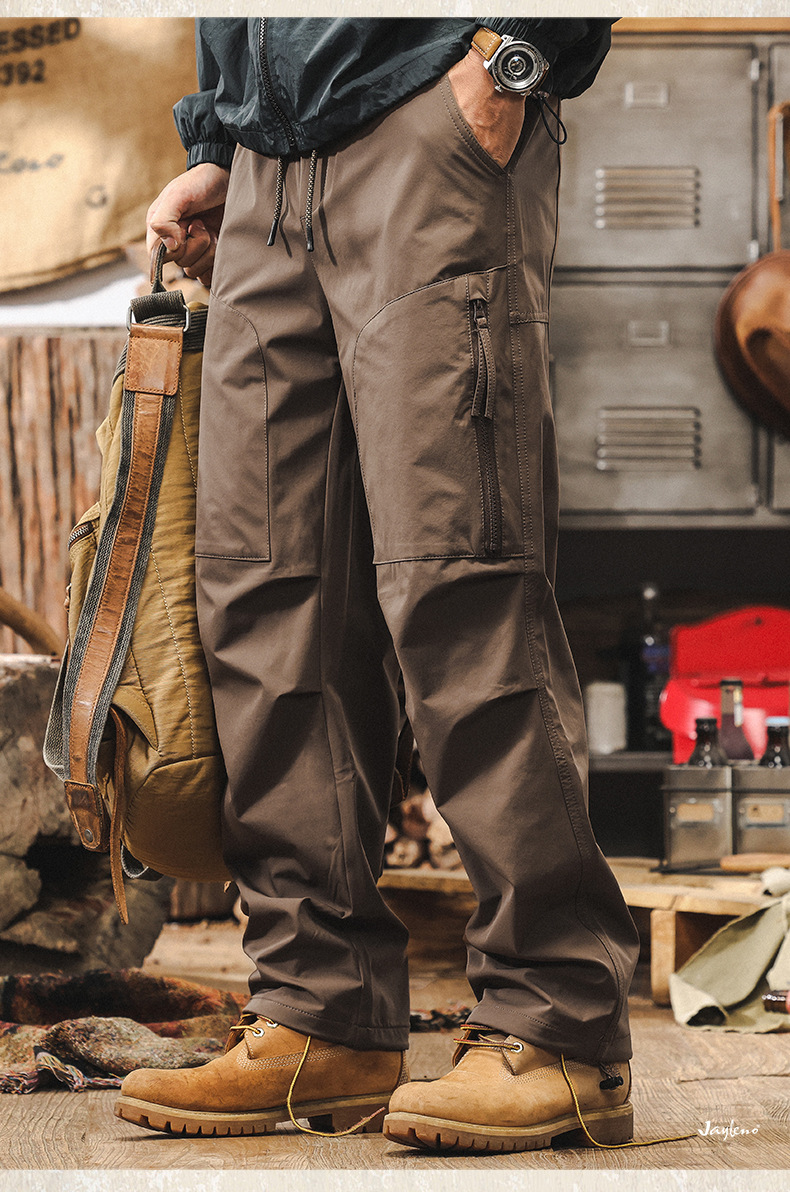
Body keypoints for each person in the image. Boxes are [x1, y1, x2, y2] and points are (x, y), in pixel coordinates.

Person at [115, 17, 640, 1153]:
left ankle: (559, 1024)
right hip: (265, 171)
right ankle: (322, 1013)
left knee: (458, 577)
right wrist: (217, 137)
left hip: (425, 120)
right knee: (265, 597)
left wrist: (515, 56)